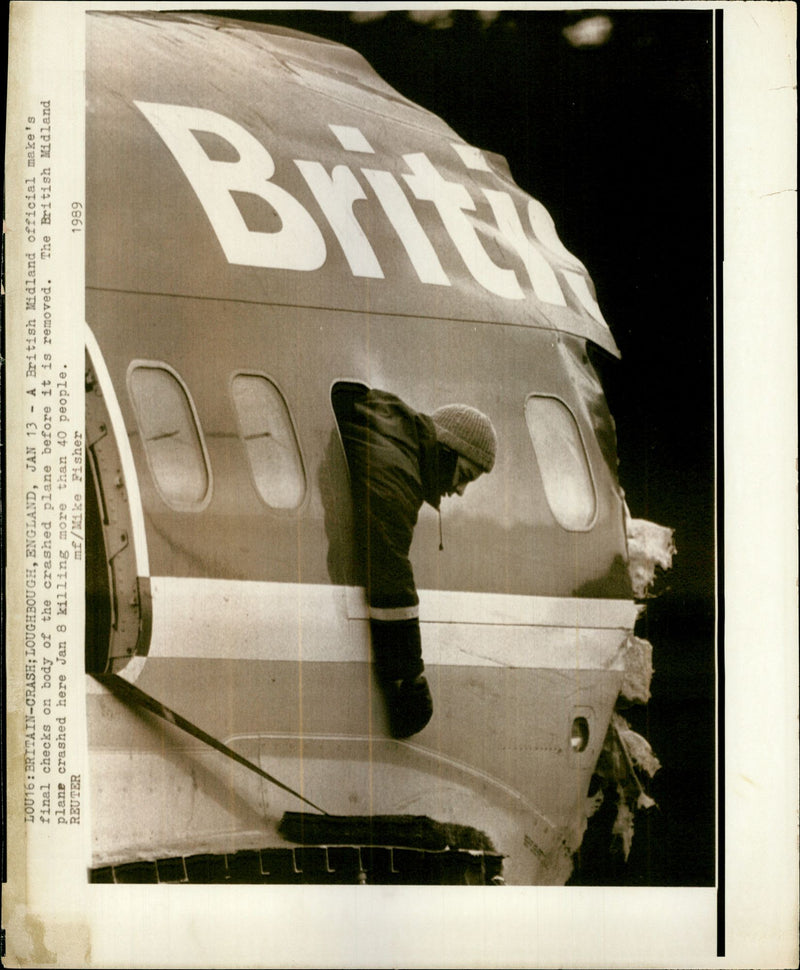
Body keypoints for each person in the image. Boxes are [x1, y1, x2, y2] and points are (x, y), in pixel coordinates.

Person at [337, 387, 498, 739]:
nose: (459, 491)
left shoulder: (396, 429)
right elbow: (389, 568)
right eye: (466, 476)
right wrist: (409, 676)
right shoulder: (397, 472)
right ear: (447, 452)